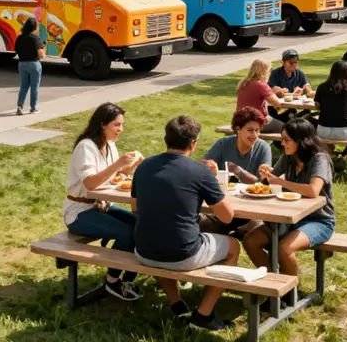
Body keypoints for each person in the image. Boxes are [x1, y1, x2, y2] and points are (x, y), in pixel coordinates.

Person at [133, 115, 239, 332]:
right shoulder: (199, 171)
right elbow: (227, 217)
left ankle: (176, 303)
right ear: (193, 144)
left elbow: (135, 208)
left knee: (164, 235)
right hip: (182, 254)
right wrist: (215, 184)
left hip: (143, 250)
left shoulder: (143, 166)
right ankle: (203, 315)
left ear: (166, 139)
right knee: (233, 247)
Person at [63, 103, 142, 301]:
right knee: (127, 232)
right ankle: (112, 281)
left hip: (101, 206)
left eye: (122, 125)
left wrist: (130, 168)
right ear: (102, 124)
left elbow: (114, 177)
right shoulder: (86, 147)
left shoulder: (109, 145)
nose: (120, 129)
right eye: (117, 125)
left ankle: (128, 279)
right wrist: (118, 164)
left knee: (142, 226)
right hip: (79, 211)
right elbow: (90, 183)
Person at [243, 119, 336, 277]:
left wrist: (281, 182)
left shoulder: (319, 159)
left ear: (301, 141)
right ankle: (274, 281)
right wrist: (266, 175)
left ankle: (291, 288)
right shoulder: (289, 157)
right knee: (250, 241)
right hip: (289, 218)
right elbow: (270, 180)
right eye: (282, 139)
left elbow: (313, 190)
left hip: (319, 220)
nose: (282, 144)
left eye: (287, 140)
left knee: (284, 248)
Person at [199, 107, 270, 239]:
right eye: (250, 130)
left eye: (257, 130)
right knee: (201, 225)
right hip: (225, 205)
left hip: (252, 209)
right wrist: (209, 166)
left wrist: (237, 170)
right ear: (238, 129)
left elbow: (261, 184)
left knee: (257, 231)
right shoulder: (223, 144)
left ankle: (238, 232)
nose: (254, 135)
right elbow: (201, 164)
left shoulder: (263, 147)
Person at [314, 61, 347, 148]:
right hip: (345, 132)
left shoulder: (322, 86)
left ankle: (332, 152)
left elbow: (317, 106)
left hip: (323, 131)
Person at [236, 58, 287, 133]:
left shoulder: (243, 83)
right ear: (264, 71)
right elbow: (277, 103)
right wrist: (277, 92)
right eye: (269, 70)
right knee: (286, 129)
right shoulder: (260, 85)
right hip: (256, 121)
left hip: (240, 121)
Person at [267, 49, 315, 125]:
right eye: (291, 63)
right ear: (283, 63)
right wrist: (291, 94)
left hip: (291, 109)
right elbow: (277, 93)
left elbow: (306, 86)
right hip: (276, 111)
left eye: (296, 62)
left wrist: (307, 90)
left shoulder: (299, 73)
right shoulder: (275, 74)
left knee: (310, 115)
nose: (294, 65)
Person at [15, 16, 44, 115]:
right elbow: (41, 55)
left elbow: (16, 50)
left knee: (23, 86)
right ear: (34, 27)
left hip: (22, 64)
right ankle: (33, 108)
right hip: (33, 64)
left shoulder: (19, 38)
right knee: (34, 87)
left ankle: (19, 106)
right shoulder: (36, 38)